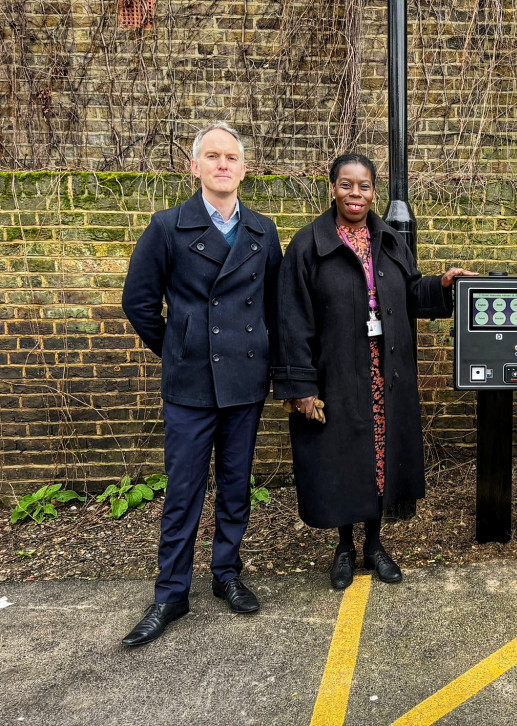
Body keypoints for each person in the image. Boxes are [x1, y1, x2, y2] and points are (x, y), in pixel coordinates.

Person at [271, 153, 474, 590]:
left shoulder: (389, 240)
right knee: (342, 461)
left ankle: (375, 544)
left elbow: (408, 293)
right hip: (338, 376)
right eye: (346, 185)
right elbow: (291, 320)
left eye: (364, 187)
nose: (355, 195)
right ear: (332, 189)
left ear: (374, 192)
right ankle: (344, 547)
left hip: (386, 374)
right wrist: (301, 386)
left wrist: (440, 285)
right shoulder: (308, 245)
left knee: (380, 462)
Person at [120, 122, 283, 646]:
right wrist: (180, 345)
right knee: (184, 489)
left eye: (231, 157)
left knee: (236, 485)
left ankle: (227, 574)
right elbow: (139, 303)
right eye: (211, 156)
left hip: (245, 379)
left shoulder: (263, 230)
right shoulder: (168, 226)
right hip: (190, 383)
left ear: (243, 167)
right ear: (195, 167)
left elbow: (276, 308)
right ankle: (171, 593)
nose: (222, 165)